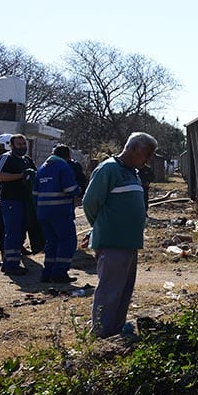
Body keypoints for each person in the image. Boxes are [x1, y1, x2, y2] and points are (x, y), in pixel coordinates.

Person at [82, 132, 157, 337]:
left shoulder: (133, 172)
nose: (148, 159)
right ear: (132, 148)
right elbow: (90, 203)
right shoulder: (109, 169)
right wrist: (100, 227)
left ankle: (116, 329)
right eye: (146, 153)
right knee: (110, 289)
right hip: (112, 242)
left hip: (129, 242)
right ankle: (101, 333)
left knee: (124, 289)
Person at [33, 145, 80, 283]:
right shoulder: (63, 167)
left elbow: (34, 193)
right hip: (59, 210)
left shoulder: (41, 169)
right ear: (68, 156)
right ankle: (60, 272)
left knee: (51, 242)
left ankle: (47, 273)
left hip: (43, 211)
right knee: (67, 241)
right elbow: (70, 188)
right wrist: (78, 190)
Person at [0, 134, 36, 275]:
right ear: (11, 146)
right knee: (12, 233)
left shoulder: (27, 160)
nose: (22, 147)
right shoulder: (7, 158)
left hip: (25, 201)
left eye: (24, 144)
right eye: (19, 144)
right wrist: (20, 176)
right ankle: (10, 264)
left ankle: (14, 261)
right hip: (10, 201)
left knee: (20, 233)